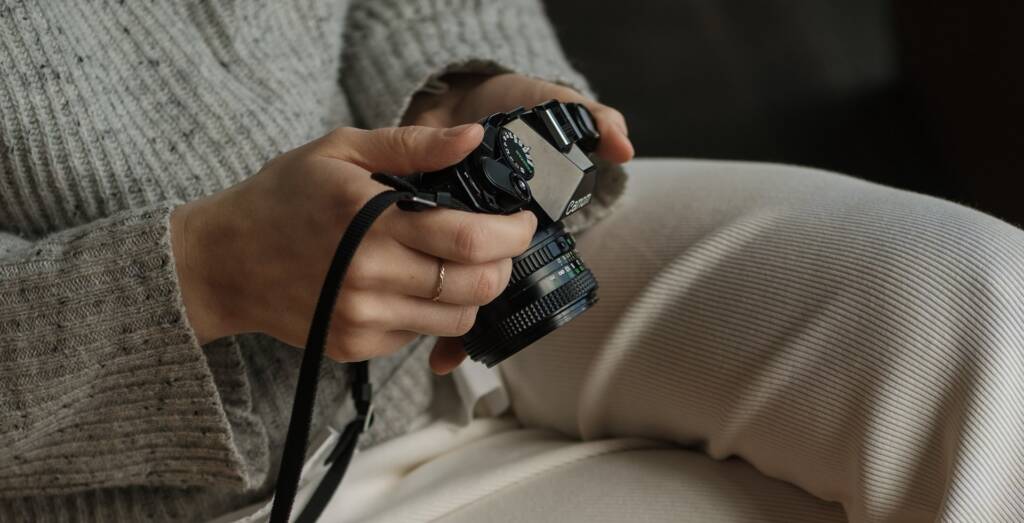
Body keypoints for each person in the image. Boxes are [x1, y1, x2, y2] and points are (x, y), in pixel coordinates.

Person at [0, 1, 1020, 522]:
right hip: (120, 470)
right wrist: (209, 272)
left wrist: (464, 94)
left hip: (457, 278)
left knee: (981, 306)